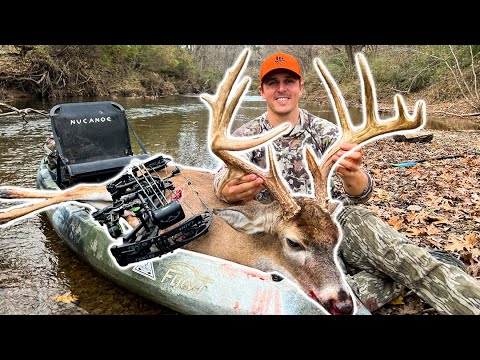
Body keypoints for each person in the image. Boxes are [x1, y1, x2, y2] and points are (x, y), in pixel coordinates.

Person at [213, 51, 480, 315]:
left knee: (401, 254)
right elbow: (220, 181)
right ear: (262, 90)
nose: (281, 89)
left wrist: (353, 173)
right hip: (282, 234)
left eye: (289, 81)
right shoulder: (243, 138)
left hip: (333, 221)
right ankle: (410, 271)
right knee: (315, 297)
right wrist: (225, 189)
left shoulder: (327, 132)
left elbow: (361, 193)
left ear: (300, 87)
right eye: (273, 83)